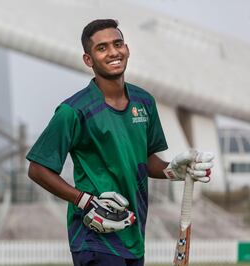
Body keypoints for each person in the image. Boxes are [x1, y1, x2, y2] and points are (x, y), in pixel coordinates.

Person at [26, 19, 214, 266]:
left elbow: (145, 161)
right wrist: (85, 200)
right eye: (102, 48)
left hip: (133, 235)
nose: (113, 52)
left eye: (117, 44)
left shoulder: (144, 101)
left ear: (127, 49)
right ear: (88, 60)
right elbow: (38, 169)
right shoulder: (73, 111)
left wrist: (172, 170)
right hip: (94, 238)